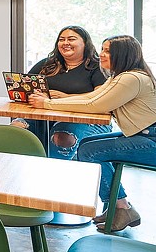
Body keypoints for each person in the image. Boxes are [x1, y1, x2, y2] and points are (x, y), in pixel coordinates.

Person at [30, 35, 156, 233]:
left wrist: (48, 104)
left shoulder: (131, 78)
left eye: (107, 51)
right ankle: (119, 207)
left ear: (123, 54)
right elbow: (92, 97)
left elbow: (96, 105)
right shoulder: (119, 77)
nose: (101, 54)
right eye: (102, 49)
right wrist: (51, 101)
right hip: (144, 135)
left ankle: (121, 207)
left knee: (91, 151)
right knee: (87, 148)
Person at [10, 25, 112, 158]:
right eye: (61, 39)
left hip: (84, 120)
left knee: (61, 136)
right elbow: (25, 85)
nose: (65, 43)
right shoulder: (47, 64)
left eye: (71, 39)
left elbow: (101, 98)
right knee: (16, 128)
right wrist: (38, 95)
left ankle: (56, 174)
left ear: (85, 43)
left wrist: (65, 97)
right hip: (43, 117)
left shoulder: (96, 66)